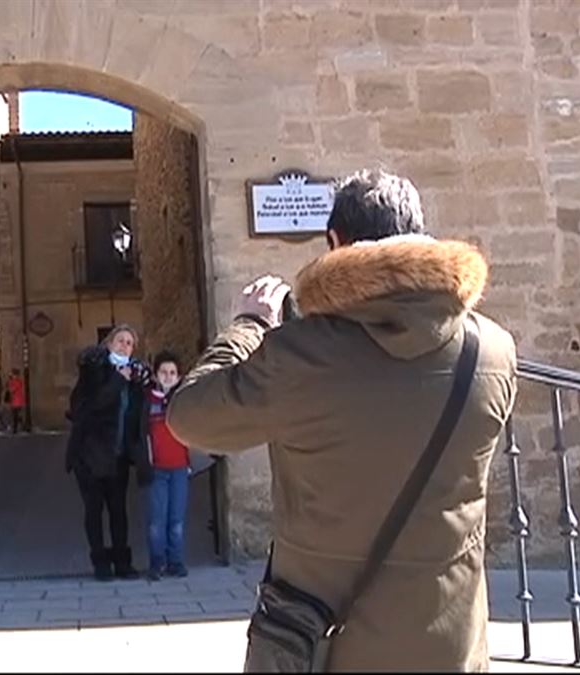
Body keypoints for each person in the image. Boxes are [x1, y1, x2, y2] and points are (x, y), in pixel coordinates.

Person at [167, 169, 517, 671]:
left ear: (336, 243)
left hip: (323, 645)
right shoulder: (494, 352)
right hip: (449, 645)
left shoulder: (300, 356)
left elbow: (190, 416)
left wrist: (250, 327)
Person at [64, 325, 152, 581]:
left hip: (118, 455)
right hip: (90, 456)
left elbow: (138, 414)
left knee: (118, 510)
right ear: (109, 344)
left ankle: (122, 562)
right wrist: (118, 380)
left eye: (130, 343)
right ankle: (100, 562)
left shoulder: (134, 377)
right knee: (94, 509)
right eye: (121, 341)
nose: (125, 346)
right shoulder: (94, 371)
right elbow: (90, 406)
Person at [141, 351, 191, 581]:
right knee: (156, 520)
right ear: (156, 374)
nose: (168, 376)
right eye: (164, 372)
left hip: (180, 468)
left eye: (172, 372)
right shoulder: (148, 400)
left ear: (179, 376)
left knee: (176, 519)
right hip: (157, 469)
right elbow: (142, 433)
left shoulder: (184, 400)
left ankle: (176, 561)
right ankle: (157, 562)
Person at [4, 369, 26, 434]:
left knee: (15, 415)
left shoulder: (17, 382)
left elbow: (12, 389)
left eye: (13, 374)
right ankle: (19, 426)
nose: (12, 376)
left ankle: (16, 428)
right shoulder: (13, 381)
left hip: (17, 401)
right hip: (14, 401)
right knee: (15, 415)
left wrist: (9, 386)